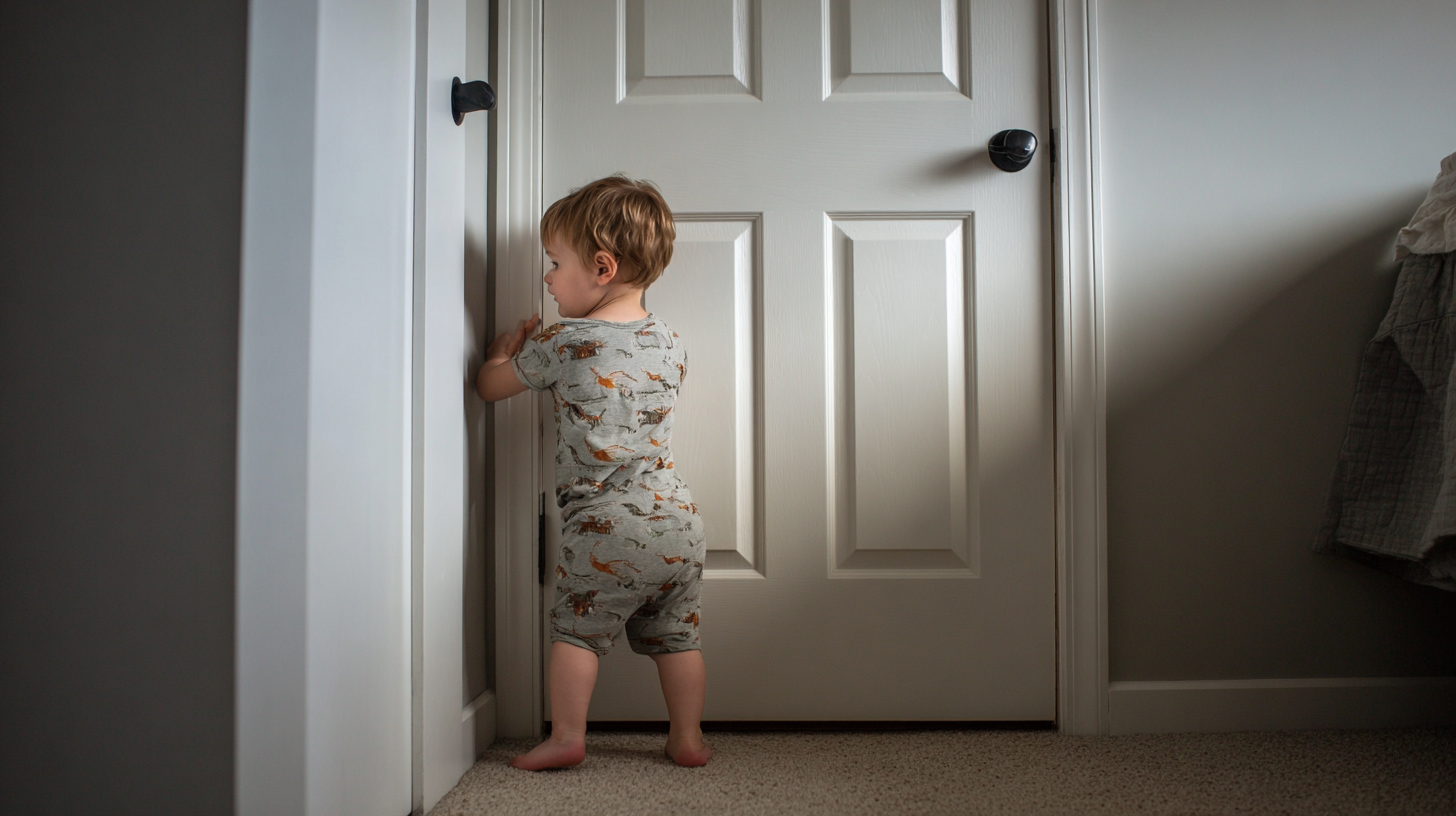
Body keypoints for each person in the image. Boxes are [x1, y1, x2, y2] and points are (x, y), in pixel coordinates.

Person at [475, 175, 712, 770]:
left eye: (555, 264)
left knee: (576, 633)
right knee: (677, 639)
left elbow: (489, 388)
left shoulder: (565, 340)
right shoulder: (671, 341)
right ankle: (687, 739)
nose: (548, 279)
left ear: (602, 268)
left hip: (606, 526)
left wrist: (505, 354)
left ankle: (567, 738)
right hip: (680, 524)